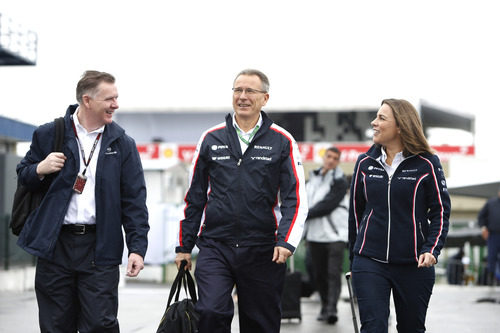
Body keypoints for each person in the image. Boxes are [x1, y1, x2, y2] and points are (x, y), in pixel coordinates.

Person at [175, 69, 308, 333]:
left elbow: (296, 198)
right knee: (210, 312)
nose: (243, 96)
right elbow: (194, 197)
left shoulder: (282, 141)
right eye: (238, 90)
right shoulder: (210, 138)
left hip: (263, 249)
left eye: (250, 91)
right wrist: (184, 245)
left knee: (261, 323)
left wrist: (286, 241)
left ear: (265, 98)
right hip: (216, 246)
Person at [16, 70, 149, 332]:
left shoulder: (123, 144)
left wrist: (137, 247)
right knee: (55, 325)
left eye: (117, 97)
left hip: (100, 247)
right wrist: (40, 168)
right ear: (87, 101)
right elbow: (24, 175)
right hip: (56, 245)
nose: (116, 104)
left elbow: (134, 200)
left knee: (101, 324)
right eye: (109, 98)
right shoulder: (49, 134)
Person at [348, 98, 451, 332]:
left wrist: (431, 249)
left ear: (401, 126)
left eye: (382, 118)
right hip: (369, 261)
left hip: (414, 264)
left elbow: (440, 211)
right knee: (373, 327)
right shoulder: (365, 163)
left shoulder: (428, 163)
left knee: (411, 328)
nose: (374, 123)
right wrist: (354, 258)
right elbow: (356, 213)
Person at [304, 146, 348, 324]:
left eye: (335, 158)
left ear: (338, 161)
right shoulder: (312, 180)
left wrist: (304, 215)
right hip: (314, 235)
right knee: (318, 273)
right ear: (324, 157)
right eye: (329, 156)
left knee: (332, 273)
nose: (331, 160)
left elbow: (327, 205)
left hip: (335, 235)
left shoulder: (340, 181)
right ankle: (324, 305)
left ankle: (331, 309)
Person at [477, 187, 500, 285]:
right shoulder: (491, 203)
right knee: (492, 257)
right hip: (493, 235)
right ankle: (491, 279)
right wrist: (483, 228)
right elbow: (481, 216)